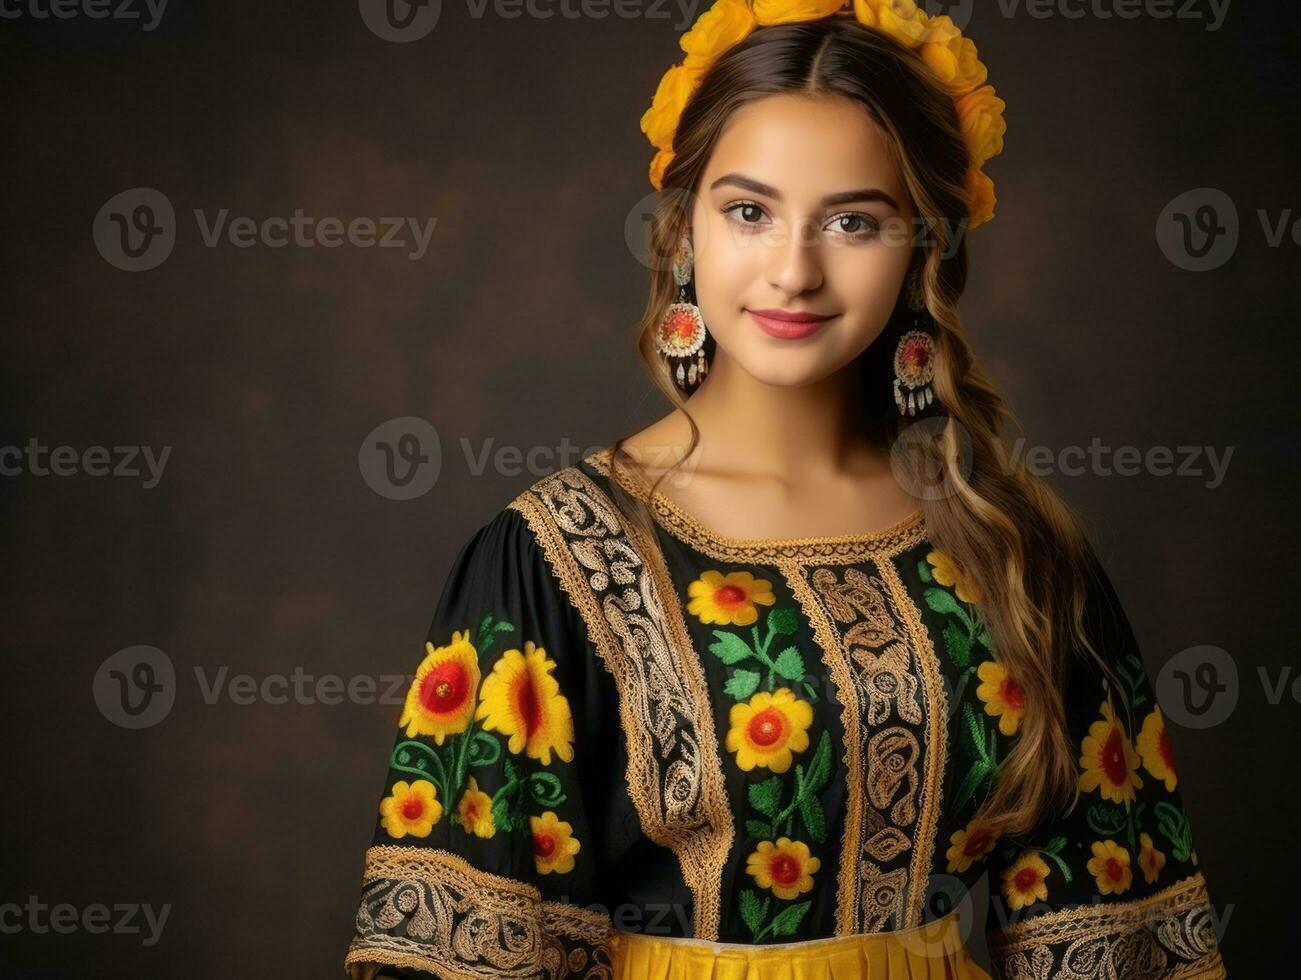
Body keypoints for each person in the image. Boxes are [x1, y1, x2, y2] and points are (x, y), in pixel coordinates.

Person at [342, 1, 1226, 977]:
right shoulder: (546, 562)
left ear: (922, 246)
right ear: (682, 229)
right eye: (748, 211)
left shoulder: (1014, 547)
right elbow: (469, 948)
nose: (793, 270)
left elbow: (1108, 933)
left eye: (853, 220)